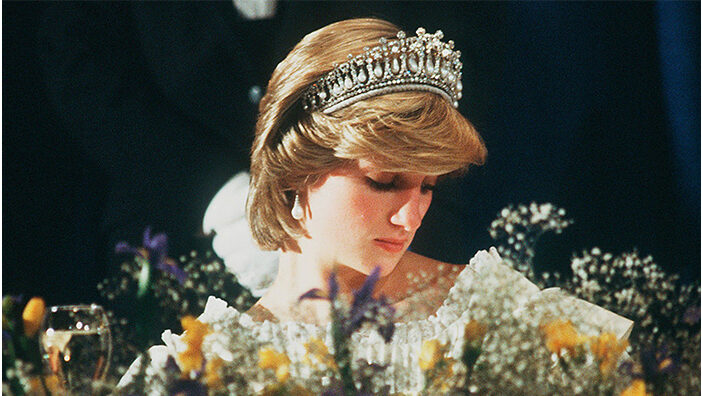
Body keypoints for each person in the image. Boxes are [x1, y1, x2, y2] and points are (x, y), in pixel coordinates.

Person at [242, 18, 486, 324]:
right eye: (383, 182)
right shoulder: (216, 356)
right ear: (296, 173)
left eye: (427, 187)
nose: (411, 219)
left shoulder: (486, 306)